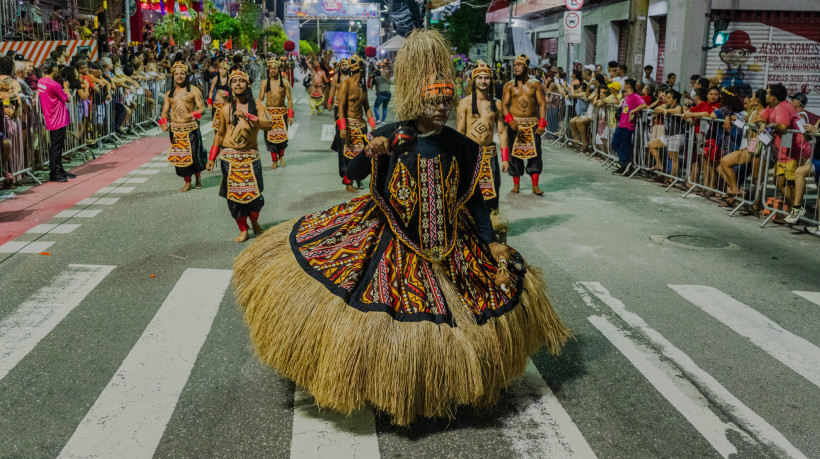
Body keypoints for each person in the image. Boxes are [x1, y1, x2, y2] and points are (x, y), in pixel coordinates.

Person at [231, 29, 570, 427]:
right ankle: (392, 388)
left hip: (450, 243)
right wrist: (368, 149)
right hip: (392, 240)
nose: (443, 108)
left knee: (467, 315)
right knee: (387, 323)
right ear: (417, 98)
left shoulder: (462, 147)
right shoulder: (392, 133)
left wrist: (492, 243)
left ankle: (443, 388)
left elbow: (476, 200)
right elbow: (354, 171)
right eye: (434, 101)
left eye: (447, 100)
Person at [206, 70, 273, 243]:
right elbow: (220, 134)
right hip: (229, 157)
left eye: (241, 81)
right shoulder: (226, 108)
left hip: (251, 157)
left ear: (247, 84)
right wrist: (212, 157)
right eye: (234, 81)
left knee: (256, 198)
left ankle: (255, 222)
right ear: (230, 86)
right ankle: (243, 229)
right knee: (234, 199)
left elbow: (268, 125)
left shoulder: (257, 105)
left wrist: (249, 116)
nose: (237, 84)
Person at [456, 60, 509, 212]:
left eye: (486, 78)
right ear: (474, 80)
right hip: (469, 155)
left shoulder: (496, 104)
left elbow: (502, 131)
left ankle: (493, 228)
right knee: (468, 194)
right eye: (480, 77)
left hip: (489, 155)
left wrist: (505, 158)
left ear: (491, 80)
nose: (483, 81)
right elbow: (460, 132)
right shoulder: (465, 103)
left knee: (492, 196)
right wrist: (459, 157)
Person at [501, 54, 547, 195]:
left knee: (535, 155)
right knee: (514, 156)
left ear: (526, 66)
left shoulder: (535, 84)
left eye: (519, 64)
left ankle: (535, 186)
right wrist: (510, 120)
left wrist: (541, 123)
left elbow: (542, 103)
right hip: (515, 125)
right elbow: (504, 105)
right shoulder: (509, 85)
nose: (516, 67)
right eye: (515, 65)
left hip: (532, 124)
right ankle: (516, 185)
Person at [158, 61, 206, 192]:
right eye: (176, 74)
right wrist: (163, 124)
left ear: (186, 74)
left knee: (194, 155)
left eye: (182, 73)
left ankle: (198, 177)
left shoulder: (194, 90)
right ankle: (187, 181)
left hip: (191, 128)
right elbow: (164, 111)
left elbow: (202, 108)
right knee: (180, 156)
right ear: (173, 76)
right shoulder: (169, 94)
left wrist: (193, 115)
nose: (179, 76)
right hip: (175, 129)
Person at [336, 55, 375, 192]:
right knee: (346, 154)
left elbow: (367, 107)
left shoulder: (362, 88)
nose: (363, 72)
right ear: (357, 70)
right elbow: (341, 106)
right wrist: (342, 127)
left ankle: (358, 178)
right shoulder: (346, 83)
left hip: (360, 124)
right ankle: (348, 182)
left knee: (361, 154)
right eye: (361, 70)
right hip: (348, 122)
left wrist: (373, 125)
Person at [38, 58, 73, 182]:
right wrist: (66, 87)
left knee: (56, 146)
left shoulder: (41, 82)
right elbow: (67, 98)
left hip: (51, 117)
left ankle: (59, 169)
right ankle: (55, 172)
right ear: (53, 68)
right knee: (56, 147)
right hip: (58, 118)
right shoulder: (55, 85)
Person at [258, 58, 293, 169]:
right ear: (268, 70)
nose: (273, 70)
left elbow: (290, 99)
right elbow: (260, 99)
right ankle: (274, 160)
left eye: (275, 68)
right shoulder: (264, 83)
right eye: (271, 68)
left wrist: (290, 115)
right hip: (269, 114)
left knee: (283, 138)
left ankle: (281, 156)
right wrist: (260, 113)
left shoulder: (285, 83)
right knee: (269, 139)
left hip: (282, 113)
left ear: (278, 69)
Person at [611, 78, 647, 175]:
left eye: (624, 84)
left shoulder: (635, 96)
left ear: (627, 86)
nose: (623, 86)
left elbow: (643, 105)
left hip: (628, 125)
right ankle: (625, 163)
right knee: (614, 144)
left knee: (625, 146)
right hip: (621, 124)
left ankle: (624, 165)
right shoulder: (626, 97)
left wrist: (633, 111)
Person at [208, 60, 230, 129]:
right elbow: (211, 91)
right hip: (217, 106)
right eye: (221, 68)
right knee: (217, 127)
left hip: (227, 105)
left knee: (227, 126)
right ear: (218, 69)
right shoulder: (216, 78)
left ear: (227, 70)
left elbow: (234, 91)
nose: (222, 70)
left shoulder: (230, 79)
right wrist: (209, 103)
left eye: (224, 68)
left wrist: (227, 94)